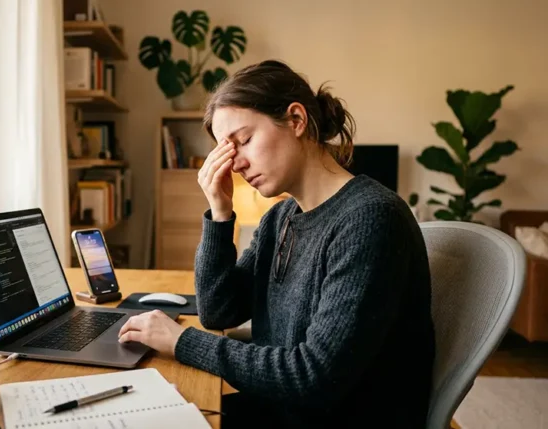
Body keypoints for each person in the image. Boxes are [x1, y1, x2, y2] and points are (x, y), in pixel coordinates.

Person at [118, 59, 435, 428]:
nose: (235, 164)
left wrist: (182, 342)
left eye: (244, 141)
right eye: (226, 150)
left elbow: (313, 378)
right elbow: (219, 311)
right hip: (283, 409)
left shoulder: (370, 219)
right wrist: (220, 212)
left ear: (297, 120)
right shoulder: (281, 218)